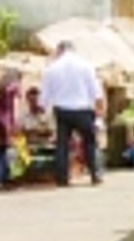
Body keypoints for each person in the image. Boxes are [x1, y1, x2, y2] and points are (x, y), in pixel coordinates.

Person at [40, 42, 106, 187]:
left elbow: (45, 96)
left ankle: (62, 178)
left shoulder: (52, 68)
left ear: (60, 51)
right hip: (83, 109)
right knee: (89, 142)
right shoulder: (86, 65)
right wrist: (99, 109)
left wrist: (43, 109)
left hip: (62, 110)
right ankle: (95, 174)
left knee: (62, 145)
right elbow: (95, 90)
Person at [0, 69, 21, 191]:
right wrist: (16, 125)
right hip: (6, 122)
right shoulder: (13, 89)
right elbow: (15, 108)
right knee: (4, 152)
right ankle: (1, 180)